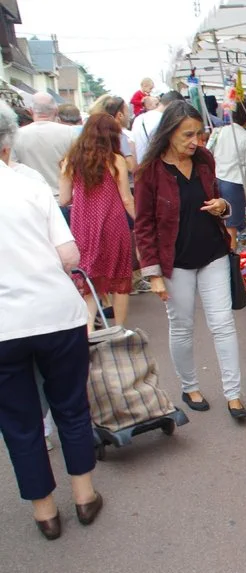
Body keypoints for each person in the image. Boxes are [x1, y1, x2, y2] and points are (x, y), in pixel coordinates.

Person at [0, 100, 103, 541]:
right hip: (55, 314)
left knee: (19, 422)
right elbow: (69, 255)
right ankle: (84, 497)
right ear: (7, 144)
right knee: (71, 407)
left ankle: (46, 513)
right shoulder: (29, 185)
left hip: (3, 328)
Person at [134, 101, 246, 420]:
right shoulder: (150, 171)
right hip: (176, 262)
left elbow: (219, 200)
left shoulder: (204, 159)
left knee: (224, 324)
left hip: (213, 253)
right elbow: (143, 225)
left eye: (199, 134)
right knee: (182, 326)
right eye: (188, 134)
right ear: (169, 133)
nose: (195, 141)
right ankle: (189, 385)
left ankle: (234, 394)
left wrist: (222, 206)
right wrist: (153, 274)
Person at [58, 113, 135, 331]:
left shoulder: (70, 160)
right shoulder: (115, 160)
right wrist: (144, 222)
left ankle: (89, 331)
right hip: (113, 224)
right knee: (119, 279)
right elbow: (127, 200)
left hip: (82, 225)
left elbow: (64, 199)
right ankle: (119, 329)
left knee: (89, 278)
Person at [10, 92, 79, 201]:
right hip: (63, 200)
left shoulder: (16, 136)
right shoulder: (70, 133)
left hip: (32, 200)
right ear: (56, 111)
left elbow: (12, 170)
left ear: (30, 110)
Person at [211, 100, 246, 248]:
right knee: (231, 226)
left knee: (221, 222)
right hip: (233, 184)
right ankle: (232, 259)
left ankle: (224, 254)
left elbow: (209, 153)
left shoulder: (219, 131)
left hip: (217, 180)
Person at [132, 91, 182, 164]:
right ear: (172, 105)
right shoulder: (164, 121)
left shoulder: (139, 118)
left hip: (142, 167)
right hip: (157, 167)